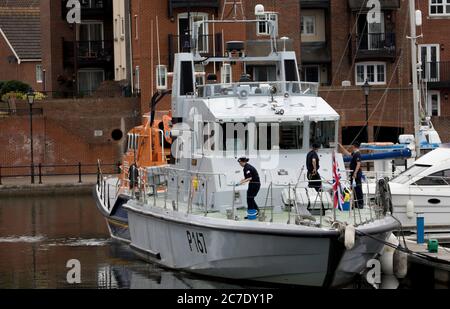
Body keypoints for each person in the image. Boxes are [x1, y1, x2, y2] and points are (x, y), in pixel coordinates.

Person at [338, 141, 364, 209]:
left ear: (354, 147)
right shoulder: (355, 153)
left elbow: (358, 164)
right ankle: (355, 203)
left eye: (352, 147)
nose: (352, 148)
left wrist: (355, 173)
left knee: (358, 189)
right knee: (353, 188)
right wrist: (341, 147)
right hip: (353, 174)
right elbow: (348, 154)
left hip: (356, 174)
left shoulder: (358, 154)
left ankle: (360, 204)